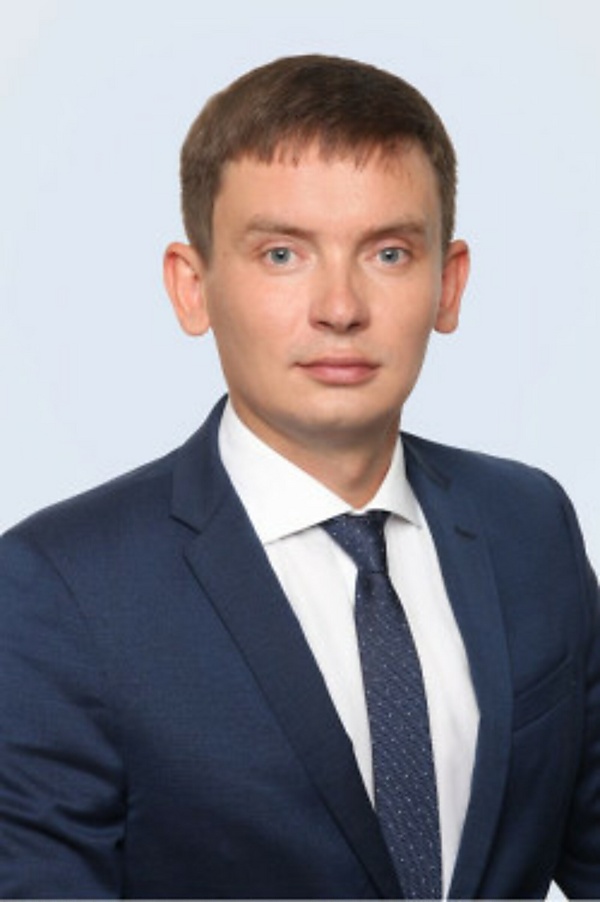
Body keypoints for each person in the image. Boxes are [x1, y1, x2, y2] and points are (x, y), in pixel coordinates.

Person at [0, 54, 598, 900]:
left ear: (448, 284)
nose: (340, 308)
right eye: (282, 254)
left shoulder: (529, 523)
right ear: (193, 287)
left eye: (388, 252)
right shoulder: (59, 589)